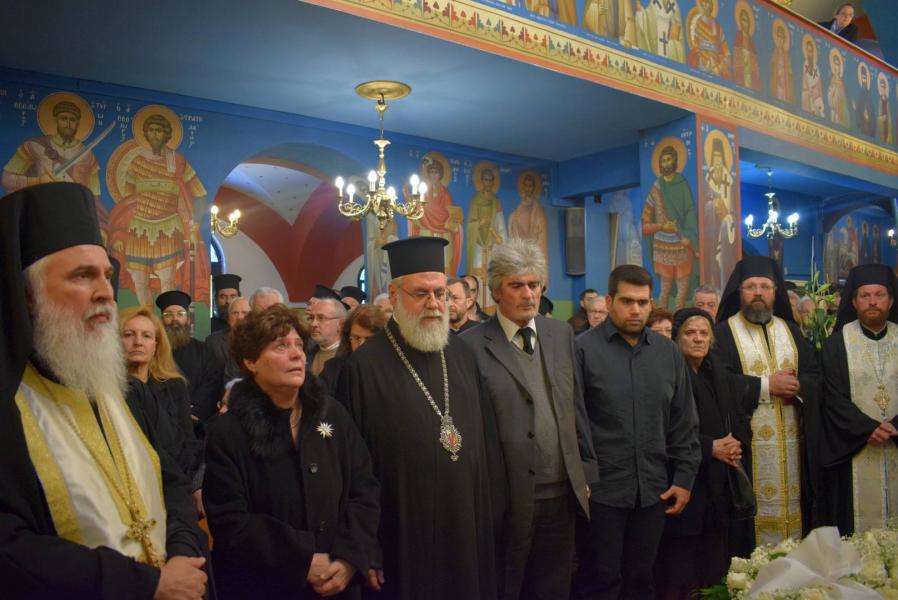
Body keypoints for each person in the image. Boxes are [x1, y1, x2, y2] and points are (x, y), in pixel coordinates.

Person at [0, 182, 207, 597]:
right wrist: (146, 584)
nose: (106, 293)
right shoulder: (11, 404)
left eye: (108, 276)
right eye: (83, 275)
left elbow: (172, 481)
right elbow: (10, 548)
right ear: (28, 296)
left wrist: (183, 553)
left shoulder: (122, 391)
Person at [339, 236, 499, 600]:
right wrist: (365, 545)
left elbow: (486, 444)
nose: (434, 303)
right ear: (395, 296)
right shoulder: (363, 368)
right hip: (400, 534)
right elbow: (351, 469)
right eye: (421, 293)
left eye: (440, 293)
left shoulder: (462, 356)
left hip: (466, 527)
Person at [203, 305, 380, 599]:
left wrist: (349, 557)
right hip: (265, 586)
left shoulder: (332, 412)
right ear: (250, 361)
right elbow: (229, 521)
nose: (297, 354)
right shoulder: (228, 432)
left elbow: (364, 489)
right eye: (281, 346)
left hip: (338, 580)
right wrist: (302, 558)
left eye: (299, 344)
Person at [461, 238, 598, 600]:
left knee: (555, 588)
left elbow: (575, 406)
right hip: (505, 497)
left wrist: (585, 469)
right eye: (517, 285)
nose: (528, 294)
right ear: (495, 291)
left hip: (562, 493)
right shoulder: (469, 346)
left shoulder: (560, 334)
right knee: (507, 586)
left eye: (534, 285)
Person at [573, 264, 700, 600]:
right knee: (599, 581)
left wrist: (684, 478)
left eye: (643, 302)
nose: (636, 310)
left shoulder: (667, 352)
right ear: (609, 301)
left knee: (642, 581)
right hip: (601, 492)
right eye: (627, 301)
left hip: (654, 491)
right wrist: (582, 477)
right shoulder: (582, 350)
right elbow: (573, 421)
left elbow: (683, 420)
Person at [713, 256, 824, 550]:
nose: (758, 293)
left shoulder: (791, 330)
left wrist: (800, 387)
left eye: (765, 286)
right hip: (747, 447)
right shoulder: (723, 333)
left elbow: (815, 374)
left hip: (794, 448)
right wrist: (765, 386)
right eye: (751, 287)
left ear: (775, 292)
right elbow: (719, 383)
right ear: (740, 292)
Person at [654, 308, 751, 599]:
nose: (698, 339)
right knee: (681, 567)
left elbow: (737, 415)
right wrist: (711, 447)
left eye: (704, 333)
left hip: (717, 486)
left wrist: (735, 444)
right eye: (690, 333)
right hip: (683, 481)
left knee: (714, 561)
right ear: (676, 338)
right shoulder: (665, 372)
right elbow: (661, 428)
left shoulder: (716, 373)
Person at [820, 264, 898, 536]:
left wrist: (895, 425)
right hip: (855, 448)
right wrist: (868, 429)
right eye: (865, 295)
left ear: (891, 300)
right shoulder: (836, 345)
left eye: (879, 295)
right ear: (854, 302)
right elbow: (832, 397)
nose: (872, 301)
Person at [106, 110, 210, 307]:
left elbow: (199, 194)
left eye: (159, 130)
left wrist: (194, 225)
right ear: (146, 133)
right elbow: (128, 202)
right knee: (139, 279)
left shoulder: (178, 162)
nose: (155, 134)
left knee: (167, 280)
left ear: (167, 134)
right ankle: (146, 319)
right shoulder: (137, 162)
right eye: (151, 130)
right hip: (139, 229)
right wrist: (120, 232)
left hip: (168, 228)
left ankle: (166, 319)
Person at [120, 305, 203, 494]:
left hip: (174, 484)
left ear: (156, 345)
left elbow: (188, 443)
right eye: (129, 335)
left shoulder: (175, 386)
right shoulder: (106, 390)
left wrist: (194, 486)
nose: (138, 342)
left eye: (147, 336)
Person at [2, 96, 107, 226]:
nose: (68, 124)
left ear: (78, 124)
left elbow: (94, 199)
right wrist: (37, 181)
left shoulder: (88, 157)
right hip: (37, 215)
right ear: (56, 120)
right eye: (63, 118)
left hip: (72, 220)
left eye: (72, 120)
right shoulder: (34, 146)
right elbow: (6, 179)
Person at [641, 143, 699, 310]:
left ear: (675, 161)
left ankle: (679, 321)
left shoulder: (682, 184)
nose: (666, 163)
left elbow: (690, 211)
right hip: (663, 246)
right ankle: (661, 321)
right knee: (664, 291)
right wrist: (661, 226)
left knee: (682, 292)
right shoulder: (656, 188)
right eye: (663, 160)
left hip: (682, 244)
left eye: (668, 160)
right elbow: (645, 223)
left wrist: (689, 236)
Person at [157, 290, 224, 425]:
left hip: (195, 420)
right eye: (168, 314)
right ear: (161, 320)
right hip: (160, 419)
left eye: (180, 314)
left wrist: (193, 410)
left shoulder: (203, 351)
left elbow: (212, 383)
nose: (175, 319)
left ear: (188, 319)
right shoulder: (153, 350)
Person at [465, 161, 507, 314]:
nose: (487, 183)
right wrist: (479, 224)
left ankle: (491, 312)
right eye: (485, 179)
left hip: (491, 244)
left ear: (493, 182)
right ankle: (475, 311)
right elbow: (470, 224)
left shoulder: (496, 202)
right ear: (481, 181)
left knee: (491, 276)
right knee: (477, 275)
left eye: (490, 180)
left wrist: (501, 239)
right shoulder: (475, 199)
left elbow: (500, 224)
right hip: (478, 244)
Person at [320, 304, 389, 396]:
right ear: (348, 338)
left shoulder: (390, 370)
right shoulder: (333, 368)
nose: (361, 345)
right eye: (356, 338)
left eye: (368, 339)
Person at [508, 171, 549, 271]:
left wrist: (533, 247)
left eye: (530, 186)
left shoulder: (538, 210)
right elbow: (513, 230)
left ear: (534, 187)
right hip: (521, 252)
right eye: (526, 185)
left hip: (533, 251)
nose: (528, 188)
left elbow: (541, 235)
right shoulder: (517, 210)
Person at [206, 296, 251, 385]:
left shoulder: (260, 339)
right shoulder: (213, 341)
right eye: (235, 313)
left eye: (244, 313)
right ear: (228, 317)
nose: (239, 317)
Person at [306, 291, 347, 377]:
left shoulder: (349, 357)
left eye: (321, 318)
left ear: (341, 324)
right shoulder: (306, 352)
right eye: (311, 318)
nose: (313, 324)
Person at [687, 0, 731, 79]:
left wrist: (721, 66)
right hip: (701, 61)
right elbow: (695, 43)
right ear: (701, 6)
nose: (706, 8)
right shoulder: (698, 23)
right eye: (704, 5)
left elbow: (725, 50)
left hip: (715, 64)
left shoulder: (717, 27)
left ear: (711, 7)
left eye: (708, 5)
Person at [733, 3, 761, 92]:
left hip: (750, 74)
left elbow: (755, 62)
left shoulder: (751, 41)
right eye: (743, 20)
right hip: (741, 72)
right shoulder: (738, 36)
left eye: (747, 21)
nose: (745, 23)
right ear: (740, 22)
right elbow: (736, 56)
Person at [769, 21, 795, 104]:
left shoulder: (786, 55)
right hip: (776, 82)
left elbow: (790, 73)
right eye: (779, 37)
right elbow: (771, 68)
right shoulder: (774, 52)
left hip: (785, 83)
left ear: (784, 40)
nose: (780, 40)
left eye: (782, 37)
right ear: (776, 38)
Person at [800, 37, 825, 118]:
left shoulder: (816, 67)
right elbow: (804, 82)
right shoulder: (805, 64)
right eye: (808, 51)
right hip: (807, 94)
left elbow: (819, 85)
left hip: (816, 95)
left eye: (811, 51)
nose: (809, 53)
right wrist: (808, 90)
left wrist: (816, 93)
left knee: (819, 104)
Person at [827, 49, 850, 127]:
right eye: (834, 64)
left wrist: (839, 95)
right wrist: (832, 93)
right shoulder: (832, 80)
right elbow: (829, 95)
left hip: (842, 111)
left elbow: (845, 99)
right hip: (834, 111)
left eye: (837, 64)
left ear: (840, 67)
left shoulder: (842, 82)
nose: (836, 67)